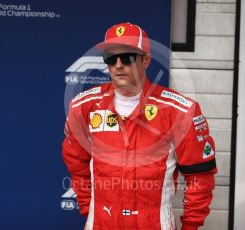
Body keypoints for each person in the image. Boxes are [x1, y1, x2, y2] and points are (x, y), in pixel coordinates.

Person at [62, 22, 217, 230]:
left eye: (127, 57)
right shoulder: (83, 107)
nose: (118, 65)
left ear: (146, 60)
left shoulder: (180, 111)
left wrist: (190, 225)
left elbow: (200, 177)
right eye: (110, 58)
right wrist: (88, 208)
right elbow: (77, 165)